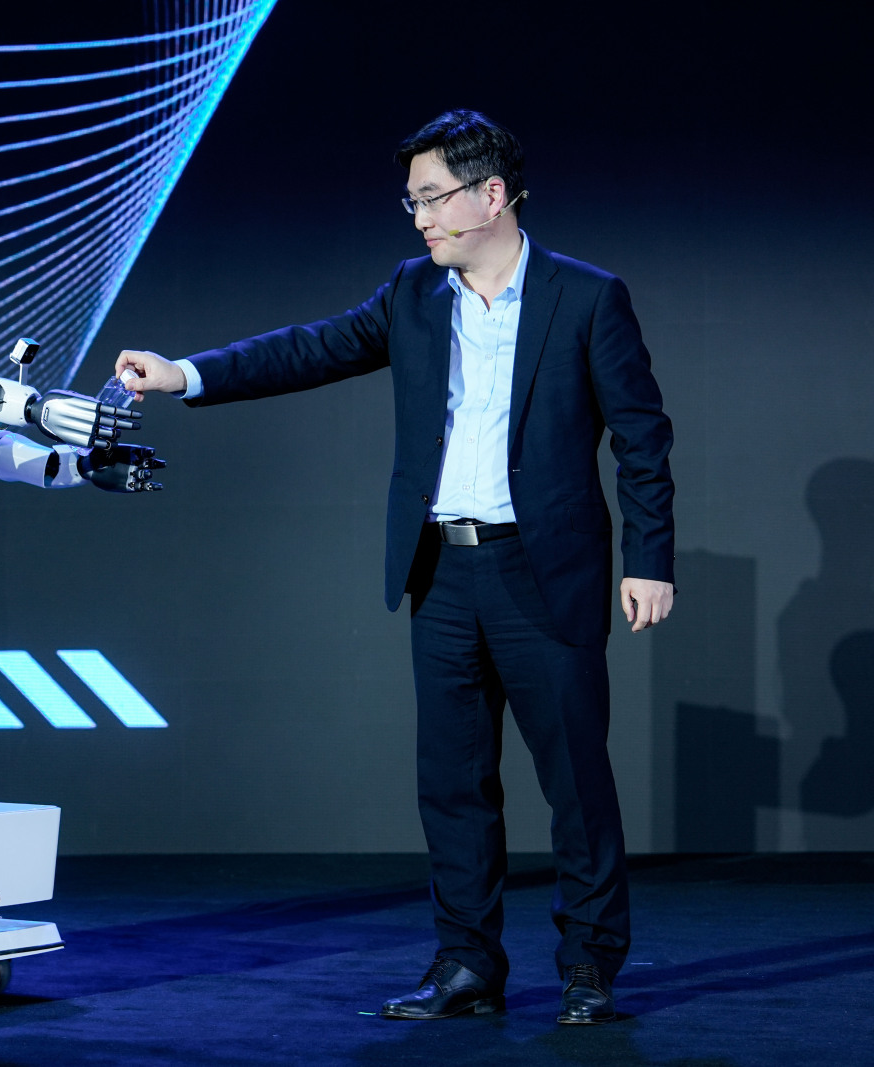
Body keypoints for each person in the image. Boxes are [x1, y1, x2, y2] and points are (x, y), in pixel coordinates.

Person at [117, 109, 675, 1025]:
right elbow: (311, 348)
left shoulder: (585, 296)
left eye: (432, 198)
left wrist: (649, 558)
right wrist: (186, 373)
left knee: (576, 782)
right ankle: (467, 964)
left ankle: (589, 963)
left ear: (492, 194)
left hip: (545, 571)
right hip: (441, 572)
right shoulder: (414, 293)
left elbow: (642, 437)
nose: (419, 217)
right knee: (452, 783)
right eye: (411, 201)